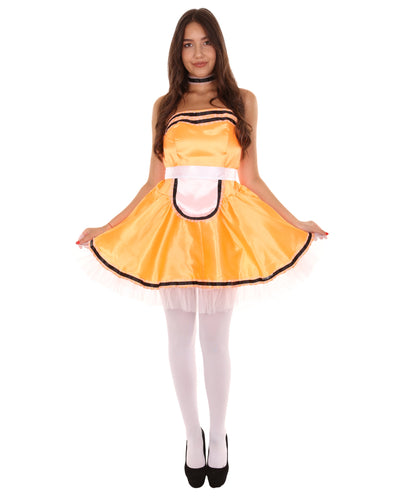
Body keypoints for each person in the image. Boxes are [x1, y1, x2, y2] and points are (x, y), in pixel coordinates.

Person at [76, 8, 327, 488]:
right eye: (188, 44)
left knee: (215, 340)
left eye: (206, 42)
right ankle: (192, 434)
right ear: (178, 51)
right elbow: (153, 181)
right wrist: (106, 227)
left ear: (219, 46)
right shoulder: (163, 106)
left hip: (222, 232)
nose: (197, 53)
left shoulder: (243, 101)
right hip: (171, 232)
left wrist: (295, 222)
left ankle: (219, 435)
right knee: (177, 339)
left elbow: (251, 177)